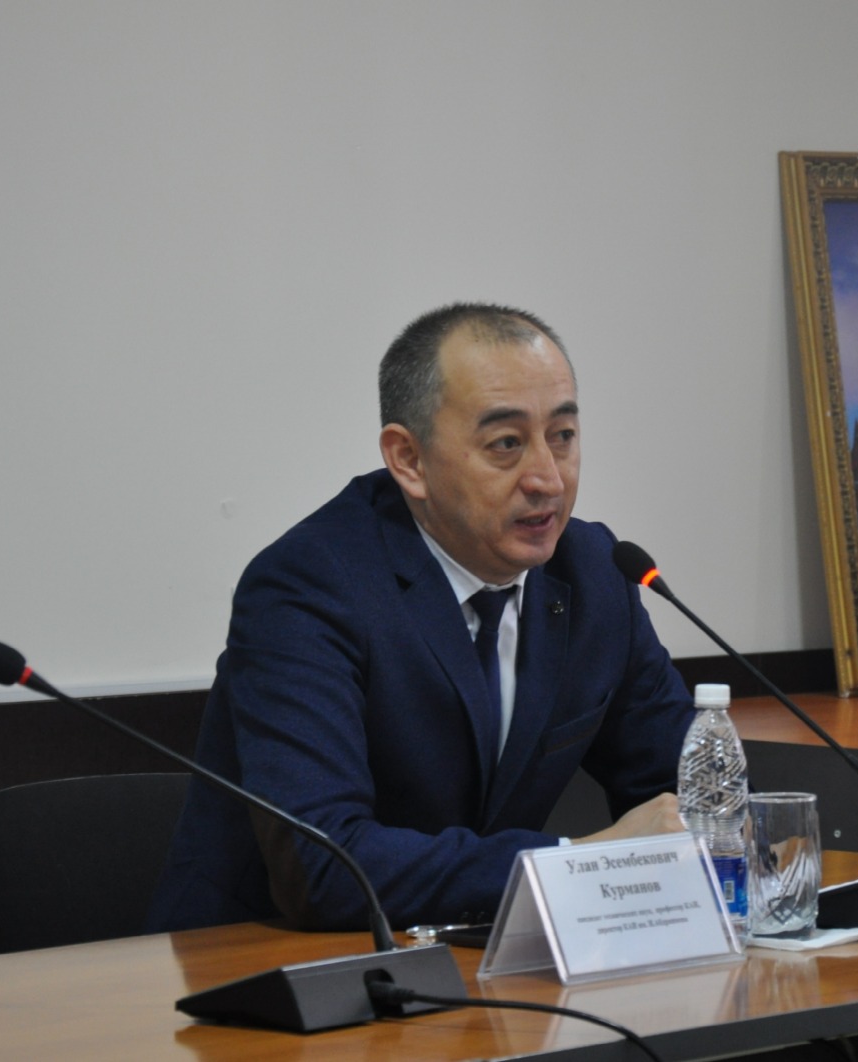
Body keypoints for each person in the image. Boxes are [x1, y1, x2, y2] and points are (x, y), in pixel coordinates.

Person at [147, 303, 693, 933]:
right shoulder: (309, 586)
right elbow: (325, 866)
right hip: (266, 963)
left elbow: (686, 786)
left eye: (563, 436)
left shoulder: (595, 572)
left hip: (475, 956)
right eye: (507, 444)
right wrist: (578, 863)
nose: (548, 478)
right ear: (408, 460)